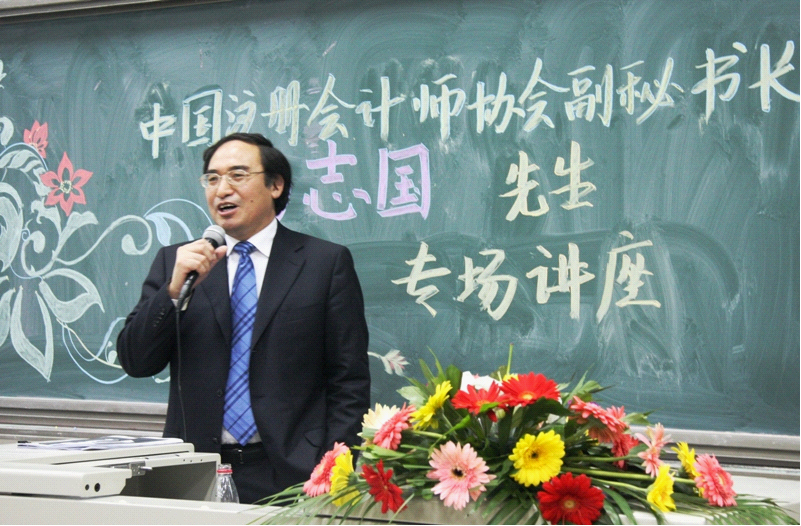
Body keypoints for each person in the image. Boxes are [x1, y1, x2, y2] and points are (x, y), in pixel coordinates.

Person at [117, 133, 370, 504]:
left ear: (275, 185)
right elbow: (136, 361)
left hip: (293, 473)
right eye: (212, 178)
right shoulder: (179, 262)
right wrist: (171, 292)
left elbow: (349, 379)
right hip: (192, 473)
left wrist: (331, 467)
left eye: (237, 175)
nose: (222, 190)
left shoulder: (324, 263)